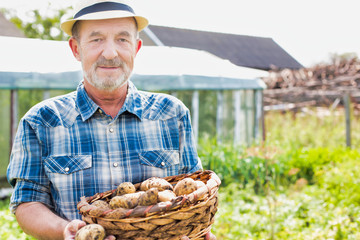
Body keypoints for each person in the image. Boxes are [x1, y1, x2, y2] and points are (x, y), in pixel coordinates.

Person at [6, 0, 205, 239]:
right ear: (76, 49)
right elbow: (27, 202)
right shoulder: (41, 121)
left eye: (122, 39)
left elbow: (196, 195)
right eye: (96, 39)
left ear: (136, 48)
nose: (110, 53)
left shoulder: (172, 114)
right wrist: (65, 231)